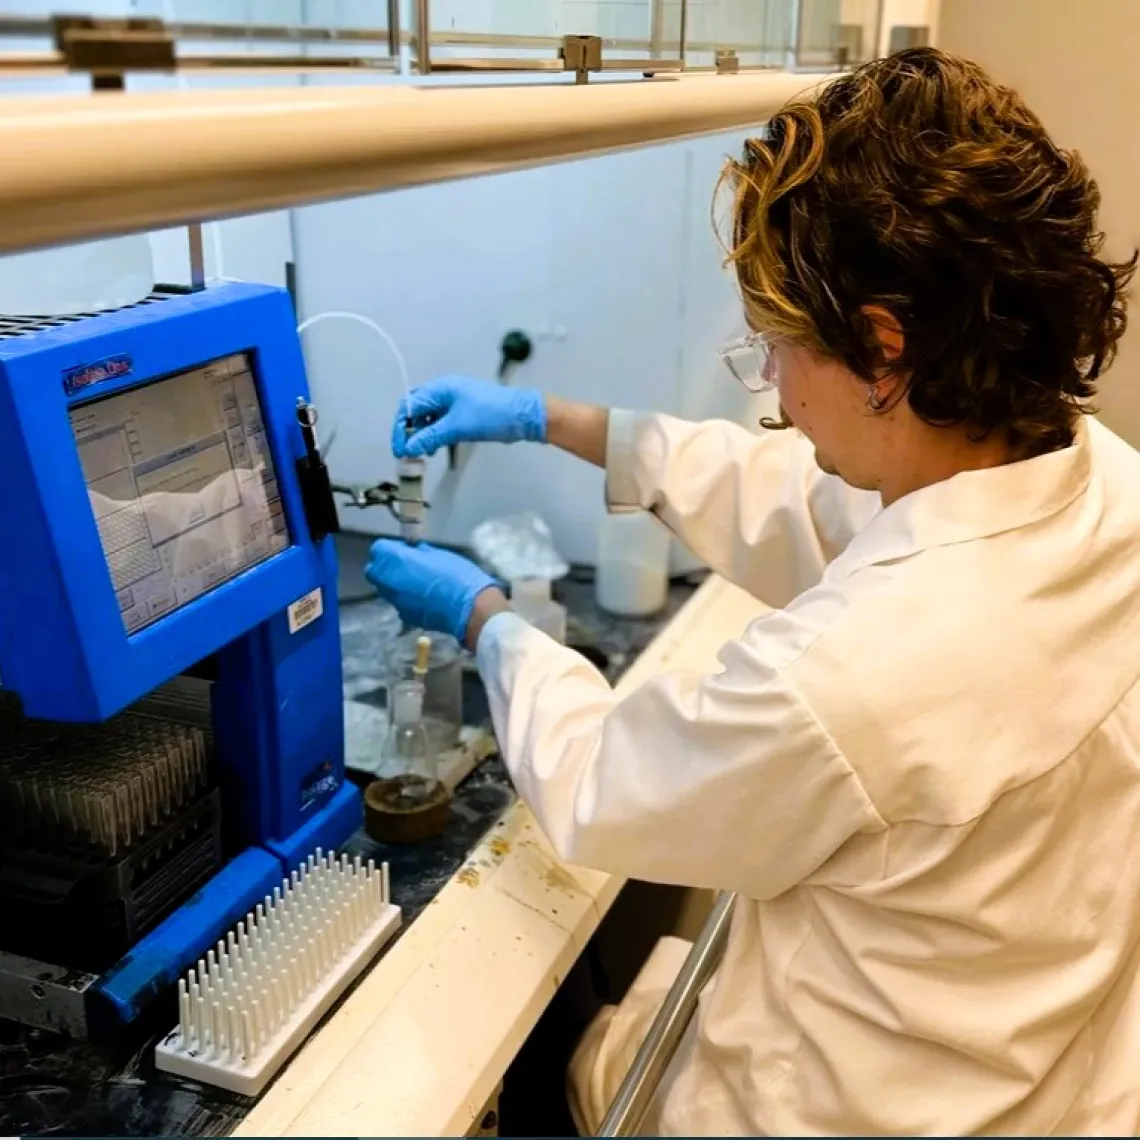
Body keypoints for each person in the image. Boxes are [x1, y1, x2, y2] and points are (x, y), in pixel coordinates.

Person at [364, 47, 1140, 1136]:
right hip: (1041, 1063)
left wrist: (486, 620)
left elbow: (599, 785)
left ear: (883, 349)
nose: (770, 384)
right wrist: (549, 418)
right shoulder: (1099, 485)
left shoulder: (851, 679)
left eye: (777, 346)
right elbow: (801, 495)